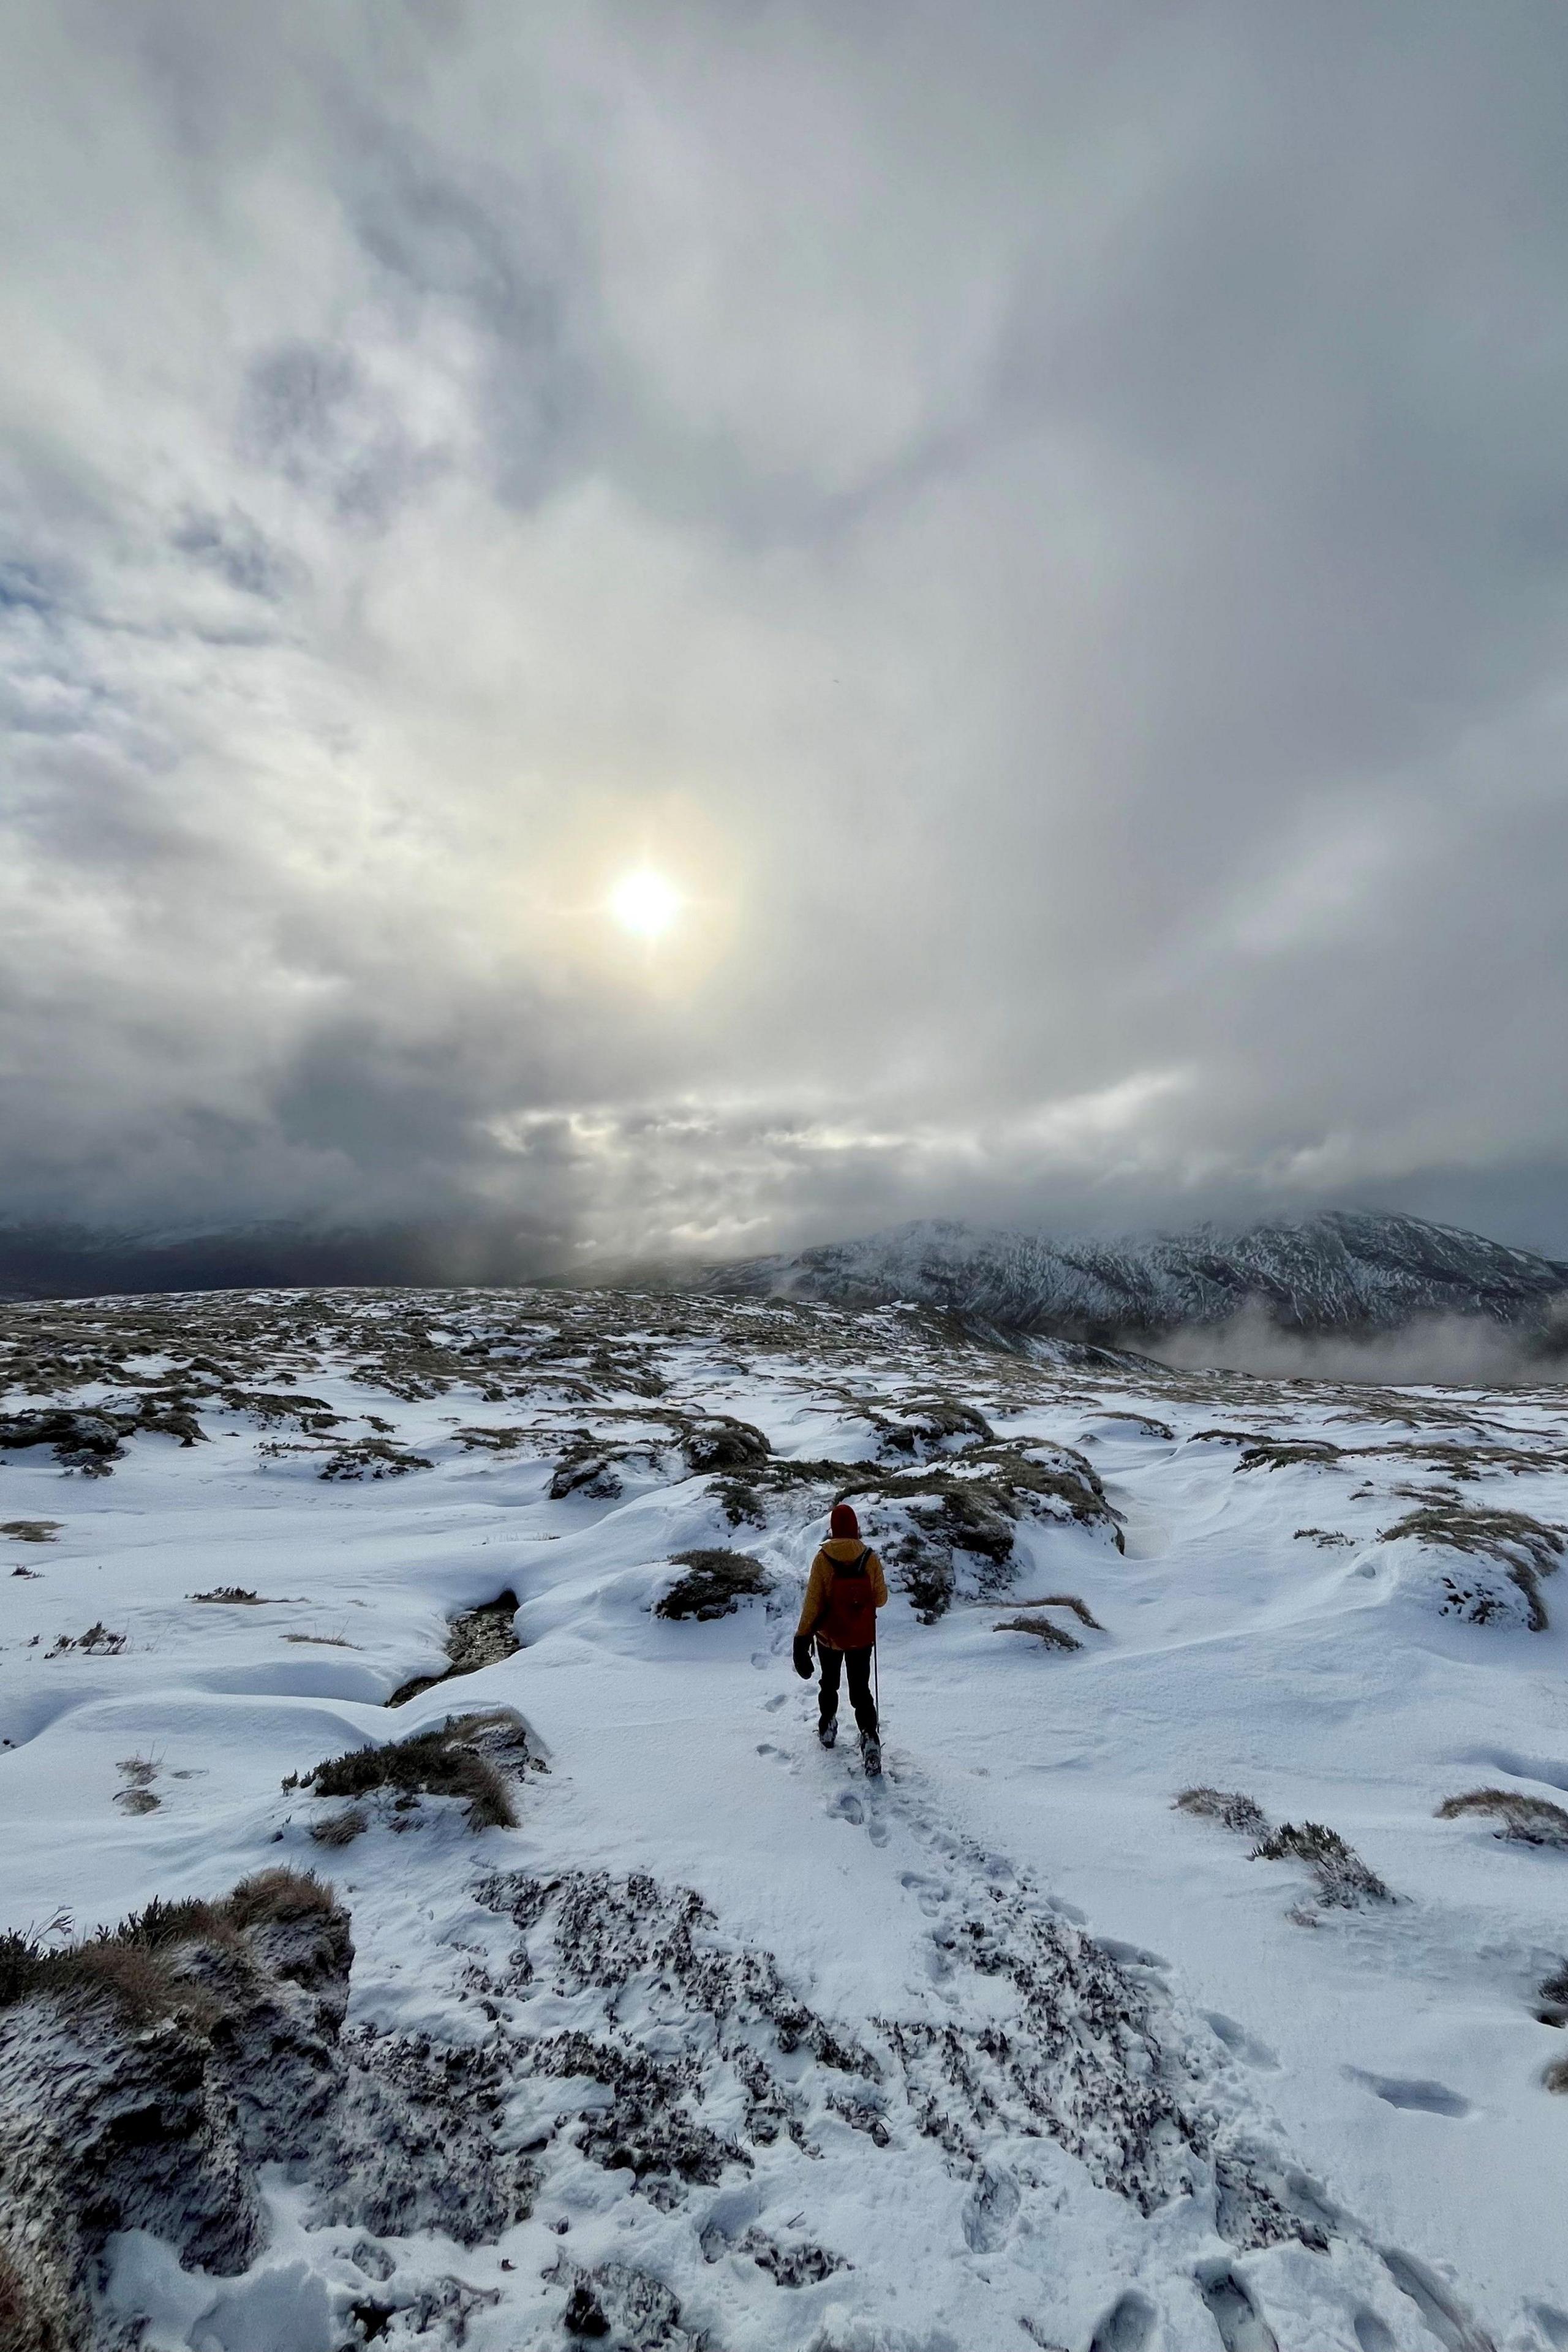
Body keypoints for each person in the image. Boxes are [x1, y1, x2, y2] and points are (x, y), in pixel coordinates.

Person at [793, 1502, 886, 1772]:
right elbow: (880, 1599)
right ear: (856, 1527)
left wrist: (802, 1638)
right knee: (861, 1689)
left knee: (829, 1683)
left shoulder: (823, 1559)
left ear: (833, 1528)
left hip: (829, 1638)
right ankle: (869, 1737)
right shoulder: (869, 1558)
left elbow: (813, 1603)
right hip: (861, 1636)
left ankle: (827, 1727)